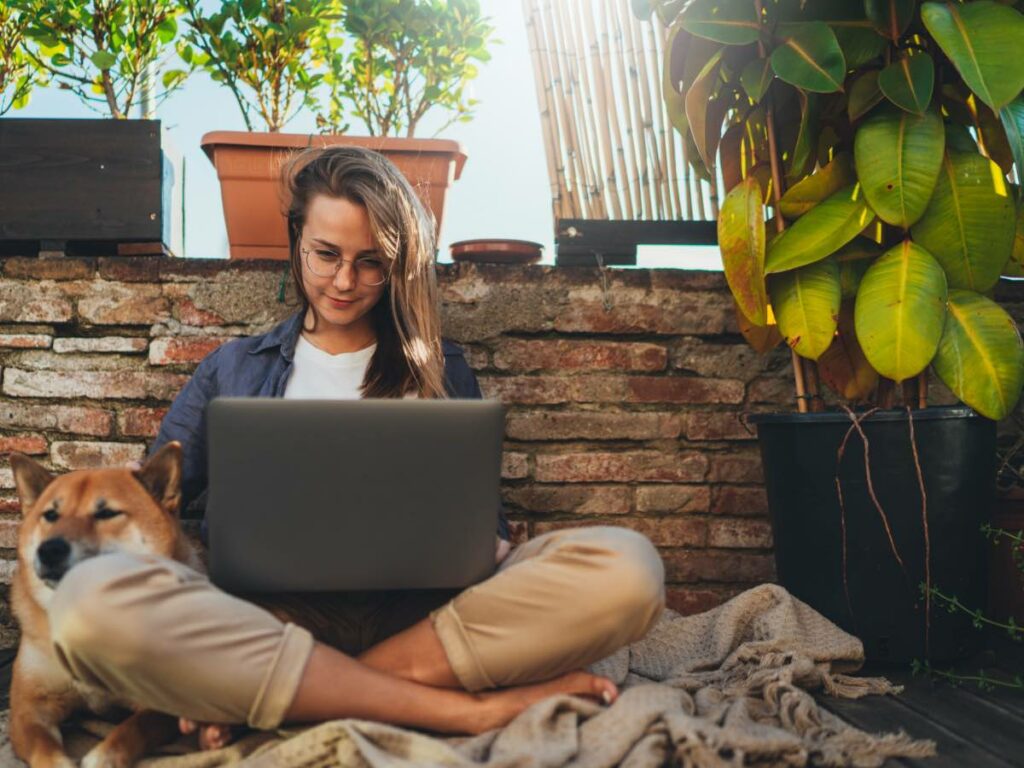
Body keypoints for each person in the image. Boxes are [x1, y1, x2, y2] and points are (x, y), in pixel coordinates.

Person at [47, 146, 666, 746]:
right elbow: (157, 517)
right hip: (267, 621)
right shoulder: (231, 369)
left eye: (371, 262)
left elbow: (485, 523)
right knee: (87, 605)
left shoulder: (442, 369)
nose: (344, 281)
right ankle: (455, 710)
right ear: (296, 240)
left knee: (627, 569)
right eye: (325, 254)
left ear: (397, 264)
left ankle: (308, 693)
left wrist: (492, 543)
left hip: (425, 621)